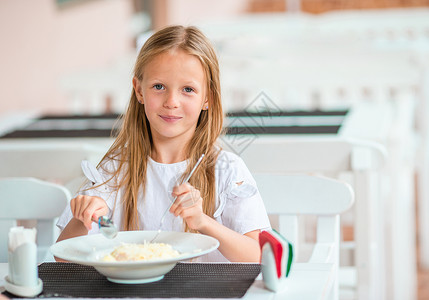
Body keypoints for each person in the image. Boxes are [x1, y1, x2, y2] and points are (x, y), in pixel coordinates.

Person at [56, 25, 270, 262]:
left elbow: (259, 256)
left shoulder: (228, 171)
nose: (172, 101)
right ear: (139, 90)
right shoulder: (113, 171)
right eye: (159, 87)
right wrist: (81, 218)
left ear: (207, 97)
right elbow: (63, 260)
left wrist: (203, 222)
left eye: (188, 89)